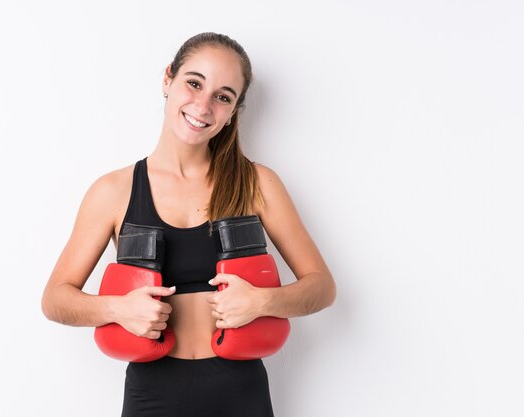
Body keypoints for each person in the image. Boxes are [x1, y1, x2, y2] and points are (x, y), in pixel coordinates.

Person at [41, 32, 336, 417]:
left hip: (241, 392)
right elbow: (55, 299)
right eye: (194, 83)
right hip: (152, 394)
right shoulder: (113, 191)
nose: (203, 104)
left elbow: (322, 287)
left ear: (233, 112)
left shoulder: (257, 183)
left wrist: (263, 301)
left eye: (223, 96)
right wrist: (117, 309)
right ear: (168, 79)